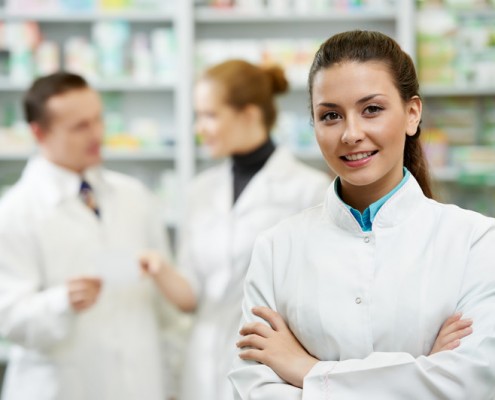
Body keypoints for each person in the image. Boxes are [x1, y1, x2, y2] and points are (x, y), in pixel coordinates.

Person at [229, 30, 495, 399]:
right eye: (331, 115)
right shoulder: (276, 249)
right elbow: (253, 389)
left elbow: (473, 381)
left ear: (412, 114)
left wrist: (308, 371)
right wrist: (422, 369)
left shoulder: (476, 241)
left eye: (371, 109)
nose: (351, 134)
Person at [140, 59, 331, 400]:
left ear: (249, 114)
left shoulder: (309, 190)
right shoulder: (199, 191)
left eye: (210, 115)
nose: (200, 127)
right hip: (202, 367)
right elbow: (192, 296)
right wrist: (160, 270)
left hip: (270, 370)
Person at [0, 72, 175, 400]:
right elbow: (10, 318)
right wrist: (62, 301)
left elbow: (163, 305)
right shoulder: (15, 211)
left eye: (98, 120)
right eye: (80, 126)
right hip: (60, 387)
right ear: (39, 133)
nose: (97, 134)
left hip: (140, 384)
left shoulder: (133, 195)